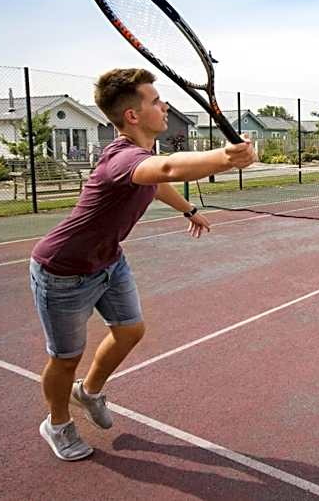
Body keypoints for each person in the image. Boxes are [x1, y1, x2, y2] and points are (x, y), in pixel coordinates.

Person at [30, 68, 256, 461]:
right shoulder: (121, 159)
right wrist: (224, 158)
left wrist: (189, 209)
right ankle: (58, 424)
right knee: (65, 359)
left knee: (130, 330)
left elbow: (156, 182)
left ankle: (89, 391)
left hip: (109, 262)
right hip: (63, 271)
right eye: (155, 101)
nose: (164, 106)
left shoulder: (140, 160)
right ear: (132, 115)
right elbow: (168, 169)